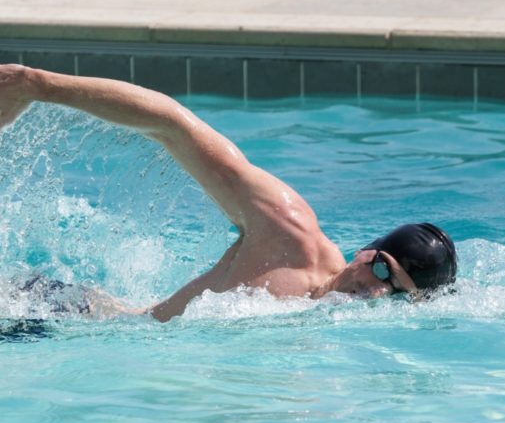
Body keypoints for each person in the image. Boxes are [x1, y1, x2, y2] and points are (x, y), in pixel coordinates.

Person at [0, 64, 457, 322]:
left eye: (396, 293)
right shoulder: (288, 233)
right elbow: (173, 124)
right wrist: (38, 86)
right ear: (366, 251)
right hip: (61, 317)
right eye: (382, 269)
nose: (376, 290)